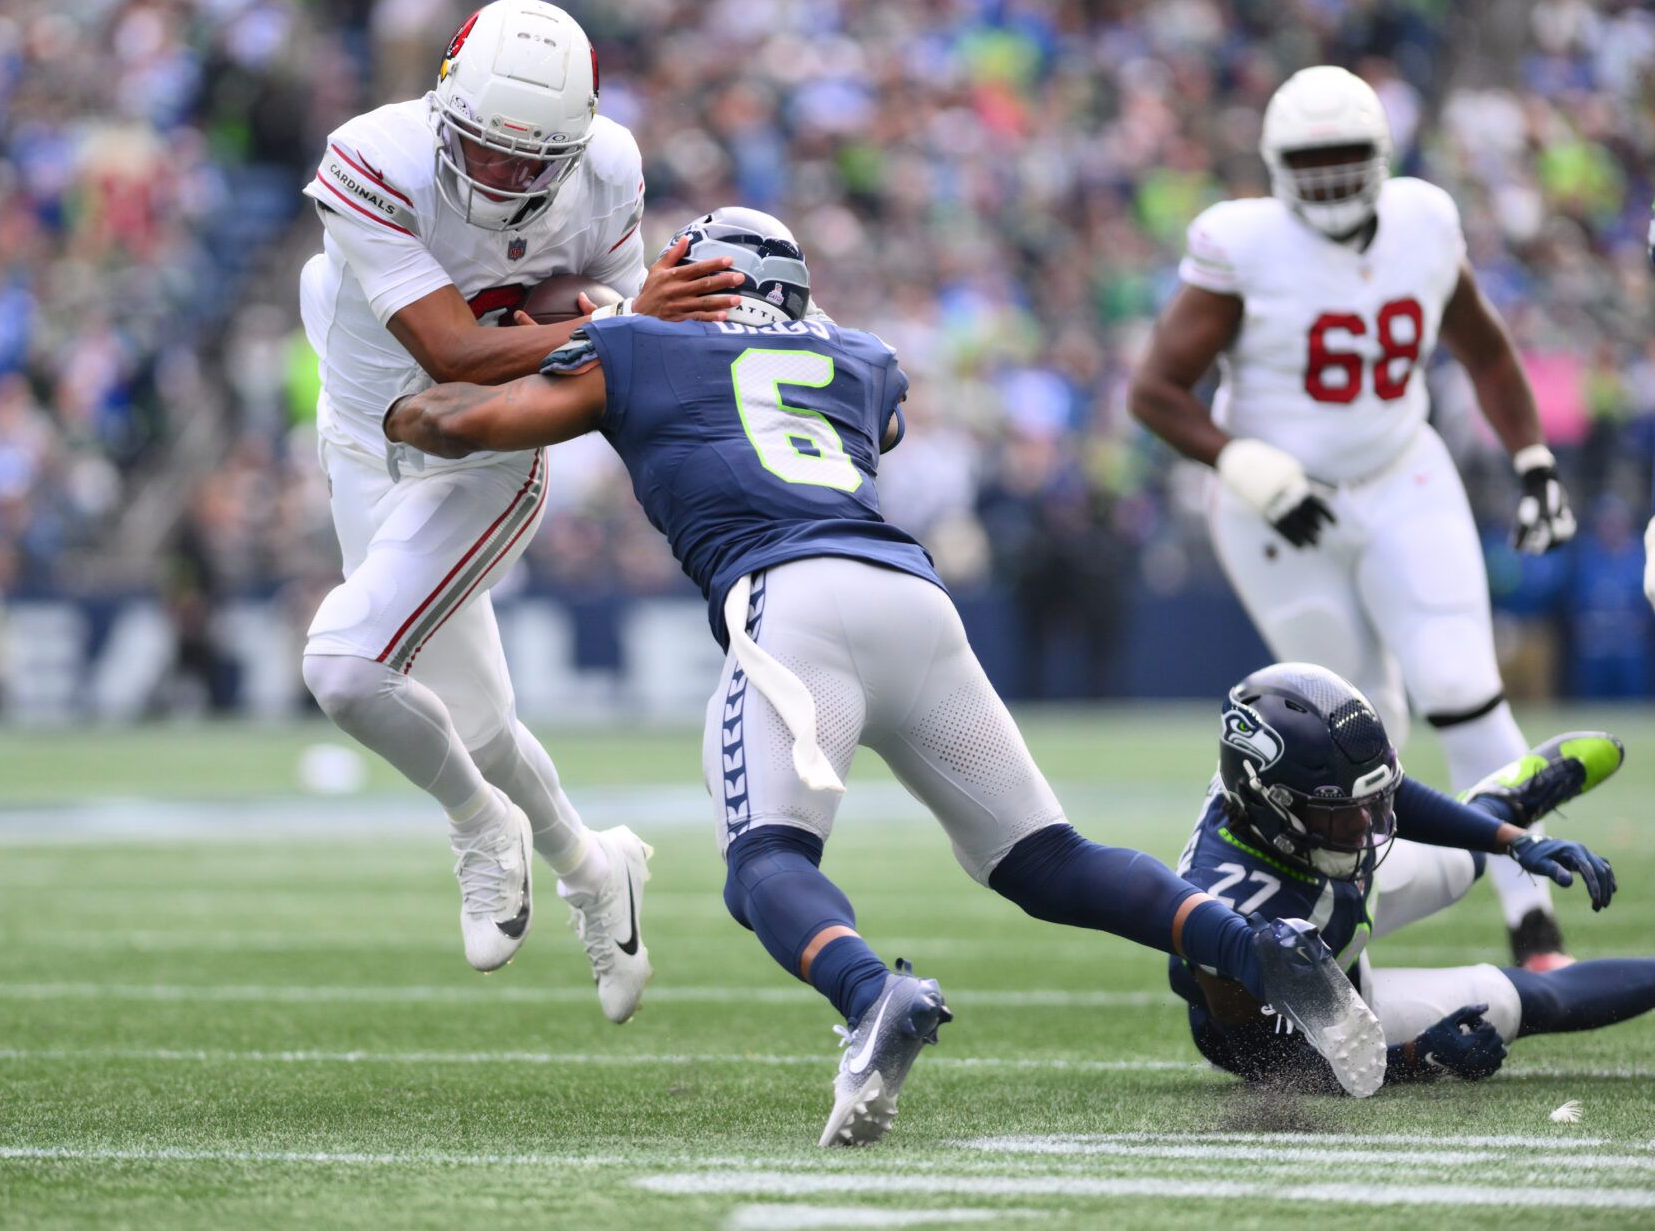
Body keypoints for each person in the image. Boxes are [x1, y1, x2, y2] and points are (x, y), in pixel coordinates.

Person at [384, 207, 1392, 1145]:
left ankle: (873, 992)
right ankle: (1257, 946)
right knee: (1046, 856)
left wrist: (405, 415)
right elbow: (878, 419)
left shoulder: (641, 341)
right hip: (910, 596)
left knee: (766, 863)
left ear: (692, 278)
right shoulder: (861, 359)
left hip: (790, 602)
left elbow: (469, 421)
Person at [295, 0, 745, 1023]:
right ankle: (596, 871)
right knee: (484, 725)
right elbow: (451, 347)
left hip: (490, 450)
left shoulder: (609, 170)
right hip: (368, 438)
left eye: (525, 161)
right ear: (443, 106)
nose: (499, 177)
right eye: (484, 151)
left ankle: (478, 827)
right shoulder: (377, 157)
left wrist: (615, 328)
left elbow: (611, 358)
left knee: (344, 668)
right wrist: (619, 320)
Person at [1129, 65, 1581, 970]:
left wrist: (1533, 455)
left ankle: (1534, 921)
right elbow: (1155, 392)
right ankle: (1343, 943)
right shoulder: (1242, 243)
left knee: (1464, 682)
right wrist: (1247, 463)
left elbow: (1487, 353)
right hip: (1280, 507)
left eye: (1347, 158)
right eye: (1312, 160)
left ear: (1381, 156)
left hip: (1401, 468)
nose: (1332, 178)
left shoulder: (1423, 219)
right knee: (1346, 735)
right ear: (1275, 165)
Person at [1172, 662, 1643, 1088]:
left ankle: (1504, 803)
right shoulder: (1227, 913)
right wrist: (1417, 1057)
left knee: (1462, 861)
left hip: (1319, 875)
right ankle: (1498, 804)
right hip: (1312, 1009)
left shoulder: (1274, 793)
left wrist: (1512, 840)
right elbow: (1274, 1063)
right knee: (1526, 1000)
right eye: (1340, 814)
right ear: (1270, 805)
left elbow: (1381, 793)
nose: (1365, 826)